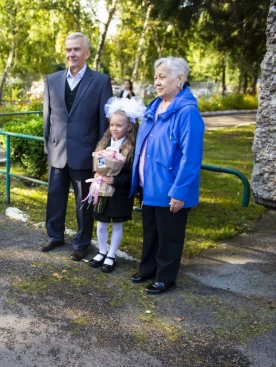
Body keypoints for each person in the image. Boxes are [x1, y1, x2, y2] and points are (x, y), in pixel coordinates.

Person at [129, 57, 204, 294]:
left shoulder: (187, 112)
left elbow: (191, 158)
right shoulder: (154, 106)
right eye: (155, 77)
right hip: (149, 184)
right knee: (150, 231)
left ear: (179, 79)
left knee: (169, 236)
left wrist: (180, 192)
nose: (157, 82)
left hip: (170, 187)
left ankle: (165, 277)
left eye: (162, 77)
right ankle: (148, 268)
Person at [41, 32, 113, 261]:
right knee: (55, 197)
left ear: (87, 53)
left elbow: (104, 125)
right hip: (57, 150)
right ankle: (54, 236)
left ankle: (81, 243)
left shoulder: (101, 81)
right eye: (68, 49)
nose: (71, 54)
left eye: (76, 49)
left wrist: (100, 158)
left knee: (84, 202)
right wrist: (48, 148)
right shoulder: (52, 80)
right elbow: (47, 118)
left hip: (85, 154)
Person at [88, 97, 145, 273]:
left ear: (129, 126)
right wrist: (97, 173)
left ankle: (112, 254)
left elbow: (133, 175)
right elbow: (97, 163)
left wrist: (116, 180)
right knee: (101, 223)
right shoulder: (104, 142)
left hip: (120, 192)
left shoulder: (133, 148)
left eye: (119, 126)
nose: (114, 129)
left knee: (117, 224)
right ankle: (102, 251)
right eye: (112, 125)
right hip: (103, 190)